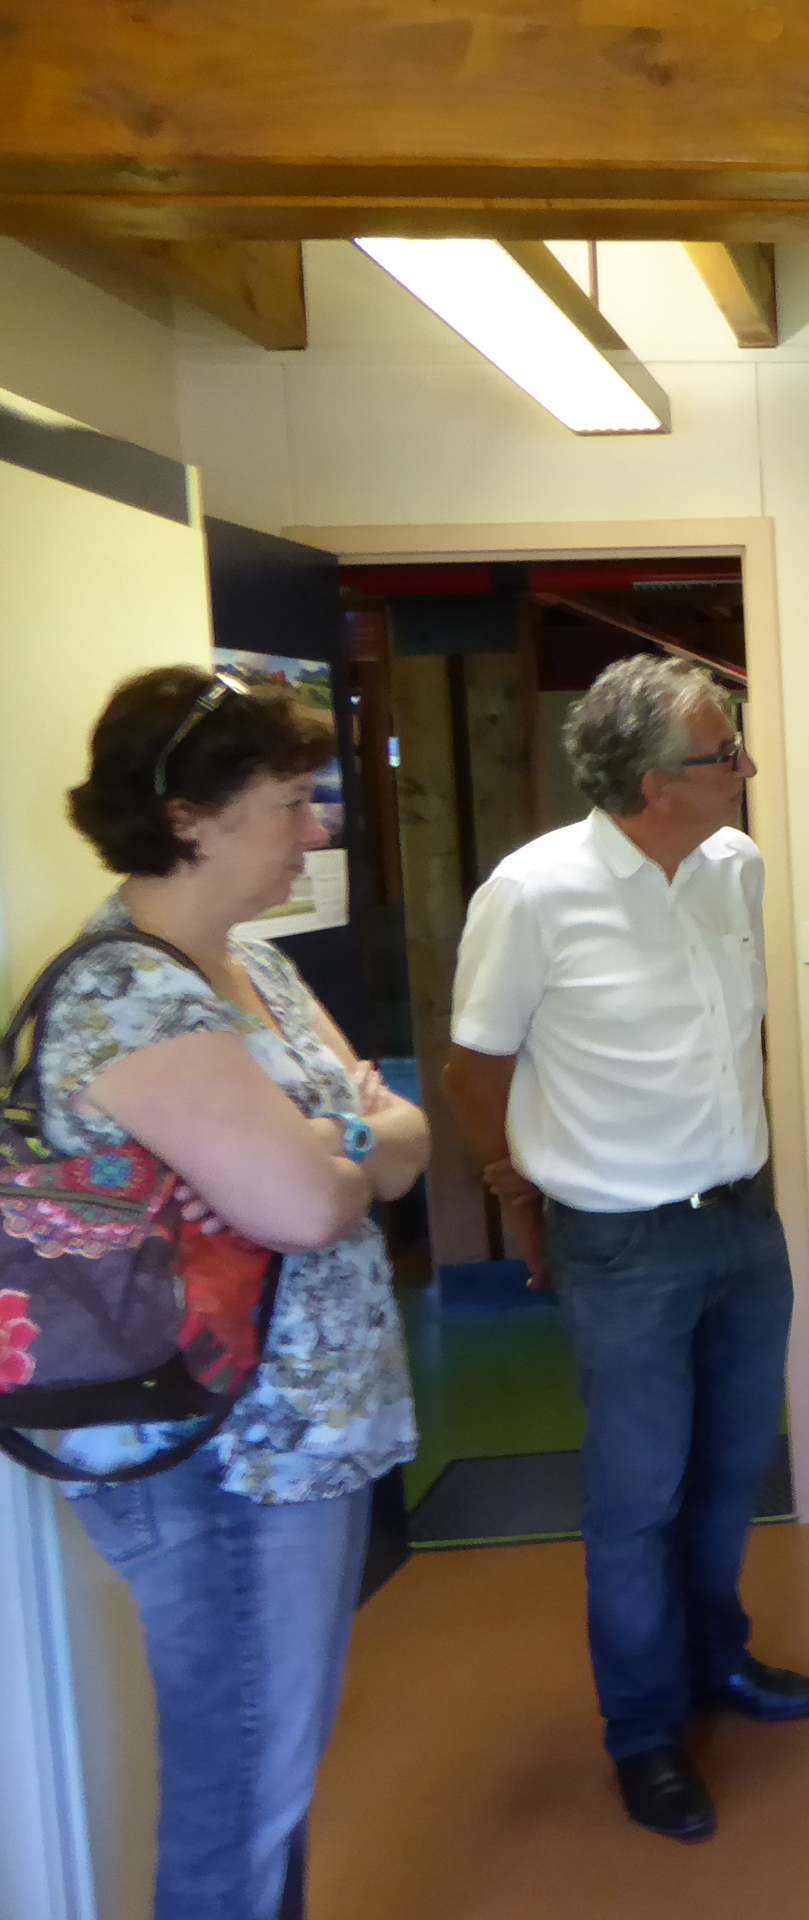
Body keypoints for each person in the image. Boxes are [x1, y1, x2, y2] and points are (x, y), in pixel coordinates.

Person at [40, 664, 430, 1920]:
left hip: (297, 1442)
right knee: (242, 1784)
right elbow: (309, 1207)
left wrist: (336, 1145)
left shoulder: (252, 966)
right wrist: (342, 1149)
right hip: (219, 1458)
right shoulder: (125, 996)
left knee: (272, 1769)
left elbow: (401, 1143)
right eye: (291, 803)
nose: (317, 831)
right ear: (188, 816)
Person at [443, 655, 809, 1845]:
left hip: (744, 1223)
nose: (747, 767)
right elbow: (473, 1072)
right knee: (635, 1501)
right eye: (725, 753)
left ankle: (721, 1662)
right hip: (620, 1243)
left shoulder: (733, 866)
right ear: (656, 784)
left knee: (730, 1474)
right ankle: (644, 1734)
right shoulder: (532, 894)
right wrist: (516, 1192)